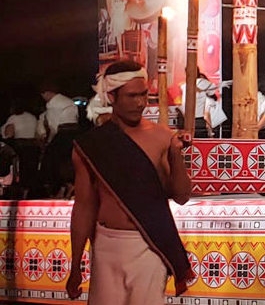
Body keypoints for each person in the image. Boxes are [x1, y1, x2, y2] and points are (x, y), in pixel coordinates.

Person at [66, 60, 192, 303]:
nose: (141, 103)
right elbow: (84, 206)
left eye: (144, 94)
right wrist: (75, 265)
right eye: (132, 96)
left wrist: (176, 155)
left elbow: (181, 196)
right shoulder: (92, 145)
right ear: (111, 97)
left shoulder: (162, 137)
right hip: (106, 246)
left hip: (148, 246)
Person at [2, 101, 40, 199]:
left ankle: (18, 193)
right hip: (33, 147)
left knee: (19, 170)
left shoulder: (13, 118)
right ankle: (28, 193)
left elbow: (8, 134)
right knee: (31, 171)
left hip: (20, 146)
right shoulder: (32, 117)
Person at [181, 68, 217, 138]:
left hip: (190, 120)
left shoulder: (186, 86)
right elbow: (212, 91)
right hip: (196, 120)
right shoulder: (186, 86)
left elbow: (212, 91)